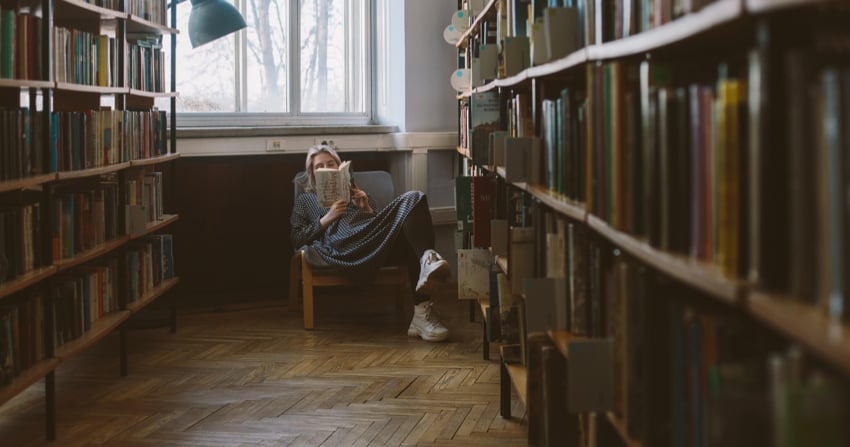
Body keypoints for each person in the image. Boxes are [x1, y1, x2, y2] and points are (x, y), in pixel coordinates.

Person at [290, 142, 452, 342]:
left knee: (415, 199)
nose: (326, 169)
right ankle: (428, 262)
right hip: (344, 243)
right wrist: (326, 219)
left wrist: (366, 207)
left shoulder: (356, 192)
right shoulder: (306, 200)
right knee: (412, 204)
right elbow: (296, 238)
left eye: (331, 164)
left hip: (372, 239)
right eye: (319, 166)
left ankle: (421, 314)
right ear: (312, 173)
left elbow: (378, 222)